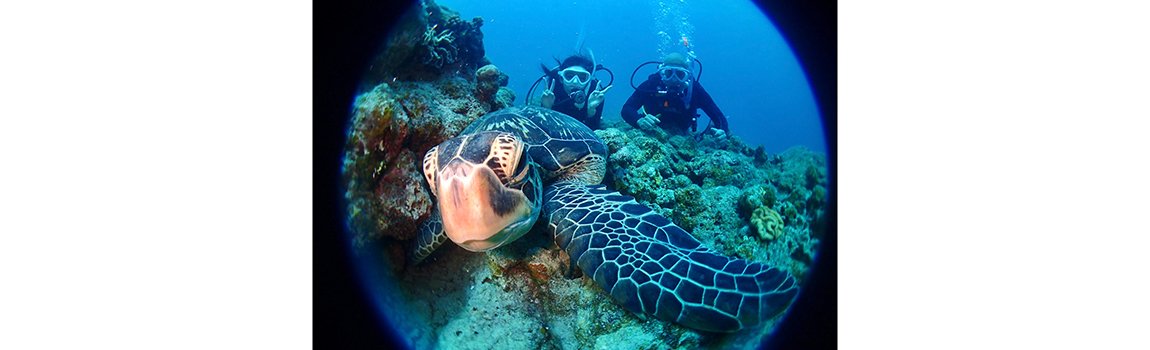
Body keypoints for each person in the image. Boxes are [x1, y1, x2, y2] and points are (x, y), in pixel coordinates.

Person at [621, 53, 729, 140]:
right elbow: (627, 108)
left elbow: (719, 117)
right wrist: (638, 120)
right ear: (662, 73)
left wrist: (722, 131)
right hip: (650, 132)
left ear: (687, 76)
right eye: (669, 73)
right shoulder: (651, 85)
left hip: (683, 137)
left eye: (680, 74)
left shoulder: (694, 90)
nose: (673, 79)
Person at [539, 55, 611, 129]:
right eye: (569, 76)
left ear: (588, 81)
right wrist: (546, 108)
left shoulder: (595, 95)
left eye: (582, 78)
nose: (575, 82)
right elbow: (543, 127)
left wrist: (591, 110)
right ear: (561, 78)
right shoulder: (552, 92)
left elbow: (593, 129)